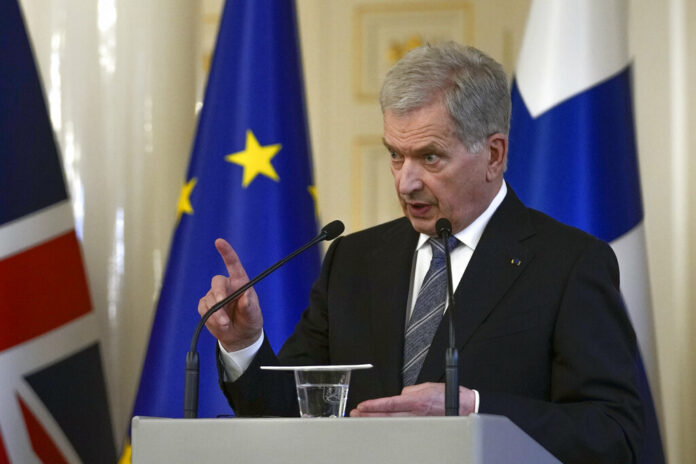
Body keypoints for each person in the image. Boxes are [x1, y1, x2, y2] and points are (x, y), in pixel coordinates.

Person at [198, 42, 644, 464]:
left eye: (430, 158)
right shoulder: (352, 261)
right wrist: (243, 345)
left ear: (493, 155)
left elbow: (614, 433)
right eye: (396, 154)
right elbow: (288, 414)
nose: (405, 182)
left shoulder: (568, 264)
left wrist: (474, 409)